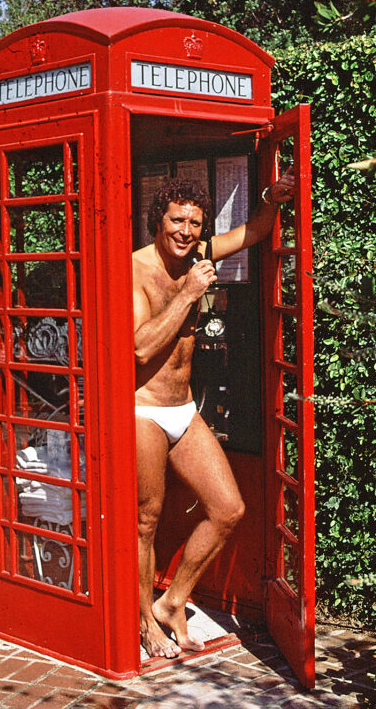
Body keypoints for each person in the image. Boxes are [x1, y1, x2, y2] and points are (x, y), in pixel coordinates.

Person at [132, 170, 295, 659]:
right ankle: (145, 621)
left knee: (228, 509)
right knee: (147, 521)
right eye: (177, 220)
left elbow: (257, 230)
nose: (186, 231)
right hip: (142, 408)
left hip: (183, 406)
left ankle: (172, 601)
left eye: (196, 223)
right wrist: (185, 295)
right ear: (157, 222)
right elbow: (138, 350)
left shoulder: (199, 254)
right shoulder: (134, 271)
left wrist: (272, 195)